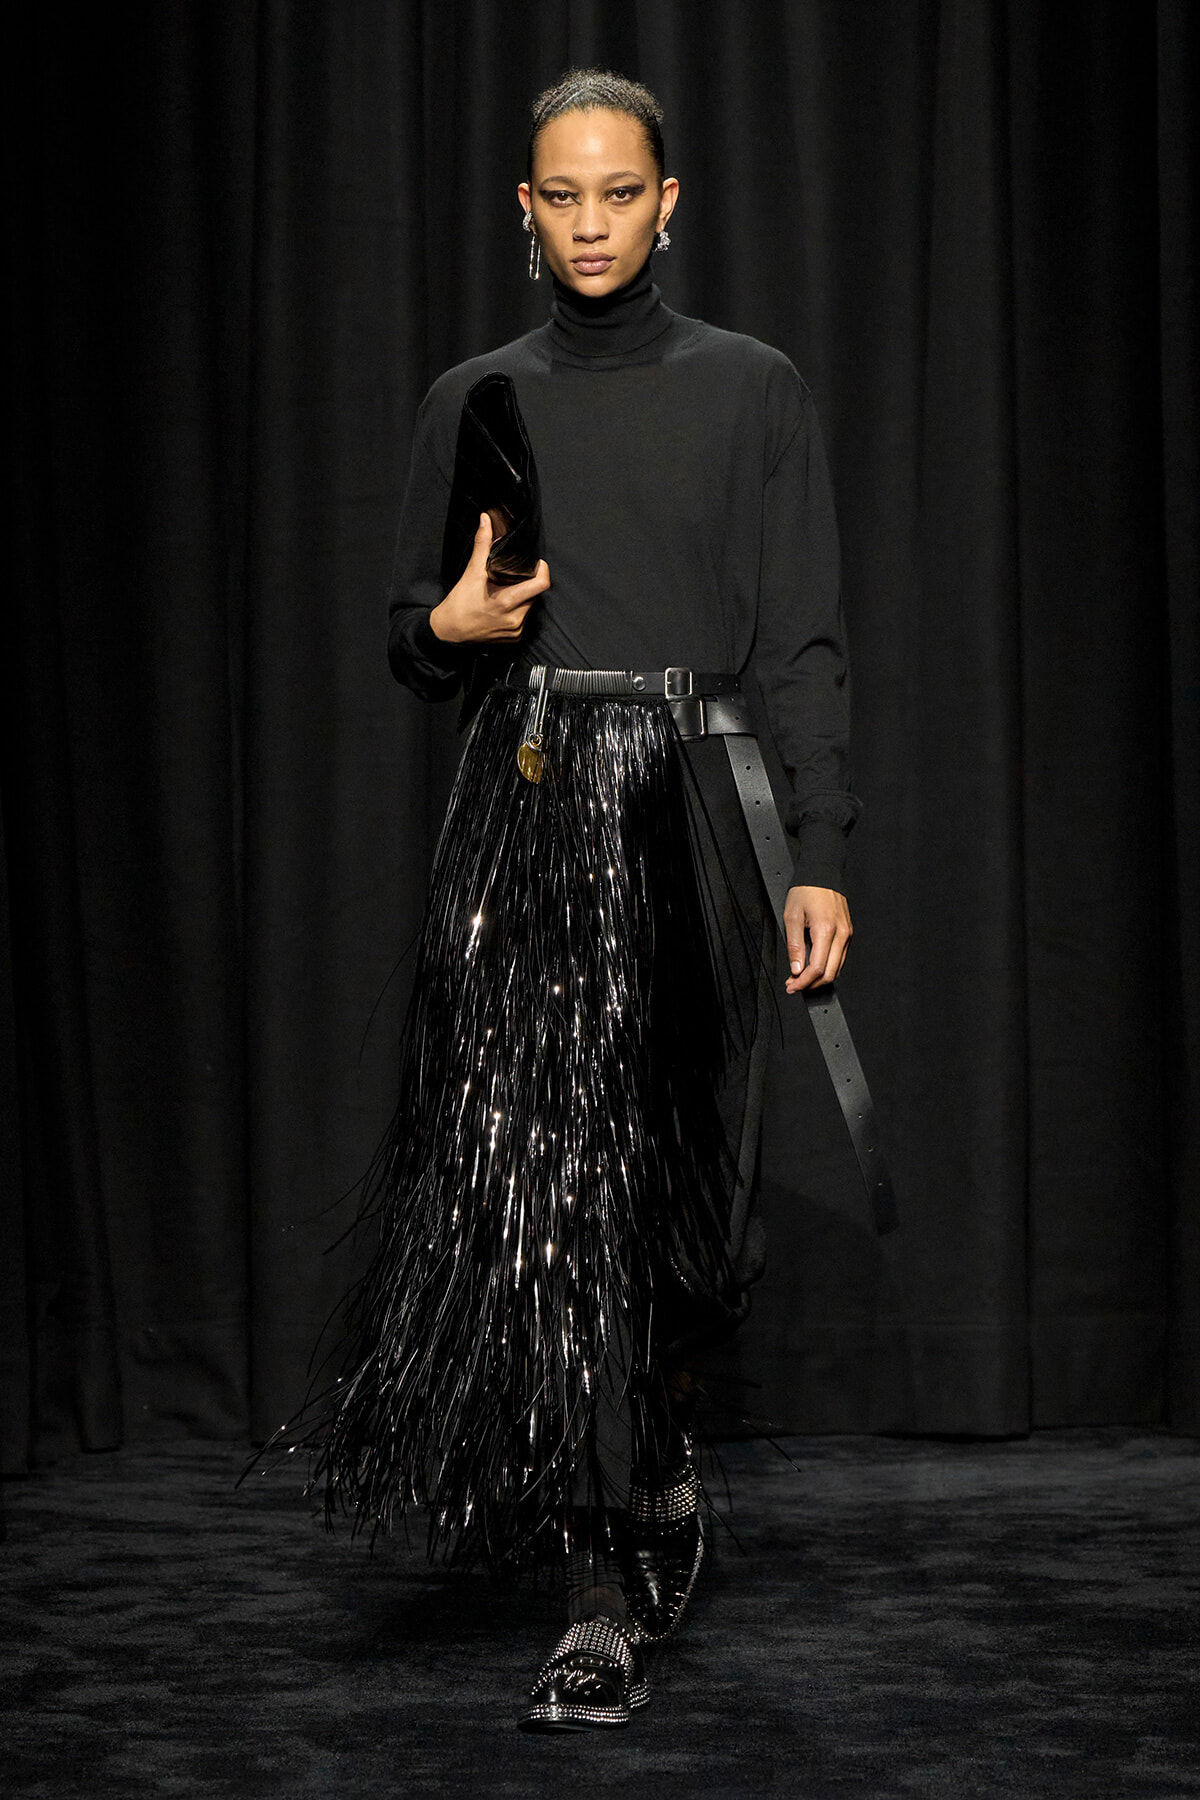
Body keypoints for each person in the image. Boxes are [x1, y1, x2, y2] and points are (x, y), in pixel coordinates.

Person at [302, 68, 857, 1732]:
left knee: (699, 1224)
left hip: (702, 806)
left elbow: (804, 638)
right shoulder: (476, 397)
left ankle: (659, 1442)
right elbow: (416, 628)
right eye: (565, 194)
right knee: (570, 1205)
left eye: (622, 192)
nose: (594, 221)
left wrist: (822, 848)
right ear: (525, 212)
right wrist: (450, 629)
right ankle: (597, 1590)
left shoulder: (753, 390)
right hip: (536, 811)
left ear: (668, 205)